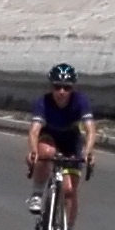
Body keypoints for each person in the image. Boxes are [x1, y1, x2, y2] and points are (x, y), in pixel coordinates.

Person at [26, 63, 101, 218]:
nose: (61, 92)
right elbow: (34, 131)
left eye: (66, 88)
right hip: (50, 138)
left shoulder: (80, 101)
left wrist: (87, 152)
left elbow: (90, 130)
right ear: (51, 87)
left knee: (69, 191)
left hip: (71, 142)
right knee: (46, 152)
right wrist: (33, 151)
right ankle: (37, 195)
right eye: (57, 87)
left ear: (73, 89)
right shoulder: (43, 102)